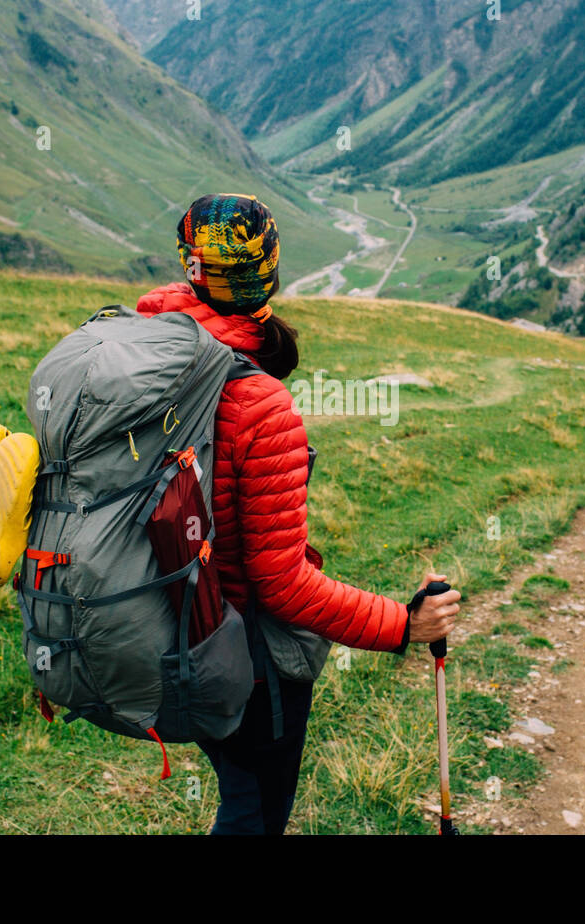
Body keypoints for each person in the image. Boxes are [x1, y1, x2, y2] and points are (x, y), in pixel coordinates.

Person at [135, 193, 462, 834]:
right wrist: (403, 624)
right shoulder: (260, 403)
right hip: (246, 662)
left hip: (166, 631)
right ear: (271, 270)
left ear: (190, 266)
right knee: (254, 812)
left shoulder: (144, 354)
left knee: (239, 795)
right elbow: (281, 585)